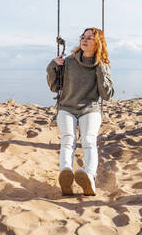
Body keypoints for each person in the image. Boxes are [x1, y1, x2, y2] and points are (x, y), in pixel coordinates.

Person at [46, 27, 114, 196]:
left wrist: (100, 69)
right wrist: (52, 66)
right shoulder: (69, 61)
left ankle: (90, 177)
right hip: (67, 108)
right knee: (68, 139)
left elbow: (107, 95)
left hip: (90, 109)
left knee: (89, 141)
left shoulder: (102, 65)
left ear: (98, 43)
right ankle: (66, 174)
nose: (85, 40)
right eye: (83, 37)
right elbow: (55, 87)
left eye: (90, 38)